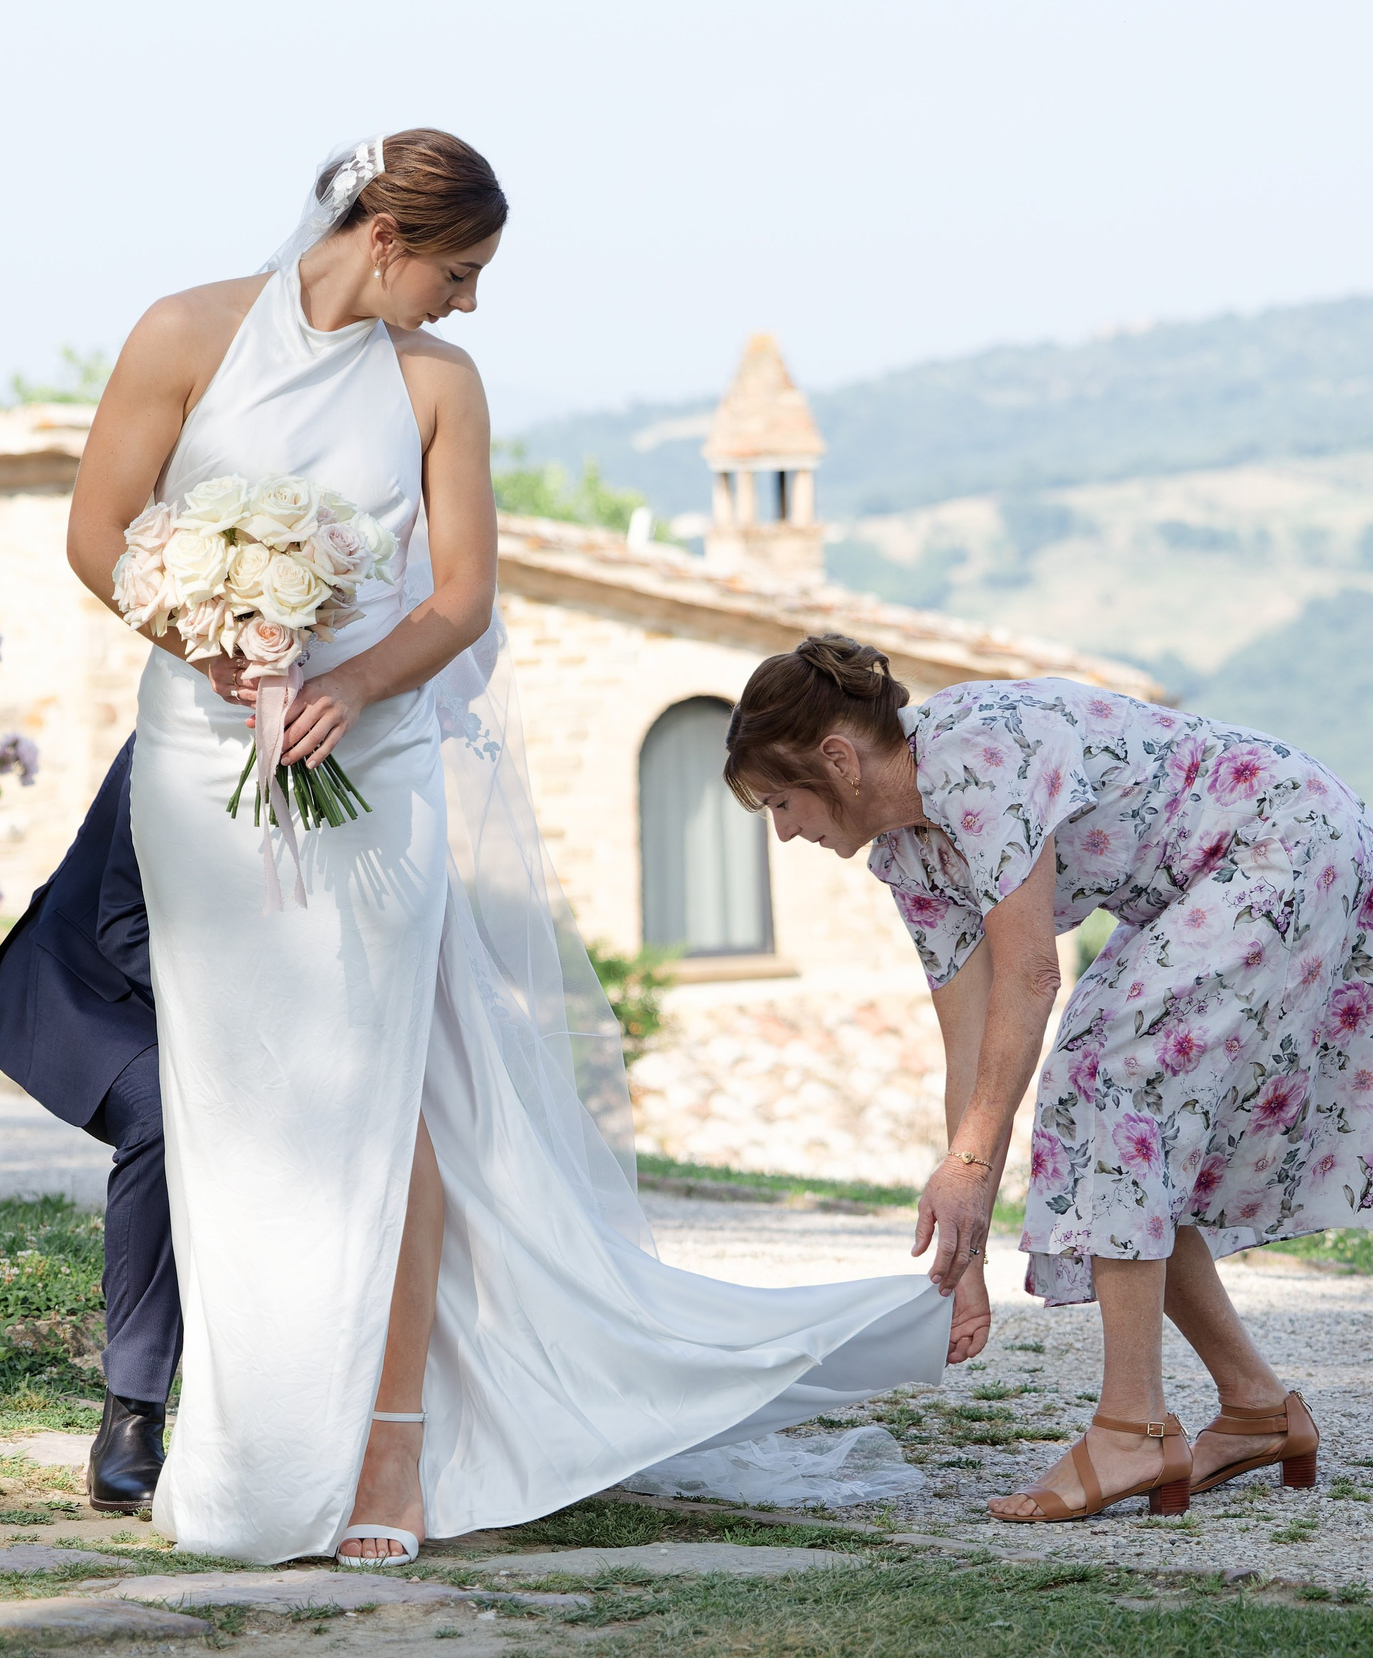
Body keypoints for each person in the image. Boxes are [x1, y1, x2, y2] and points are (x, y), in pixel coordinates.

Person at [63, 132, 959, 1568]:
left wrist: (351, 683)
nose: (469, 304)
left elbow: (464, 597)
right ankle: (251, 1435)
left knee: (389, 1085)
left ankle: (392, 1446)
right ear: (386, 233)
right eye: (460, 271)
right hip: (202, 763)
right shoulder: (184, 334)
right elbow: (100, 533)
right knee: (233, 1092)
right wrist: (215, 635)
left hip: (382, 760)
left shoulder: (438, 385)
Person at [723, 636, 1373, 1522]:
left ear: (838, 759)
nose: (785, 830)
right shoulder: (909, 858)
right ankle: (1257, 1409)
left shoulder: (976, 758)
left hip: (1286, 837)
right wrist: (968, 1230)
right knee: (1122, 1124)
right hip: (1204, 884)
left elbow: (1032, 976)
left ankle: (1132, 1430)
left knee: (1109, 1078)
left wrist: (975, 1166)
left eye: (781, 801)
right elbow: (974, 1045)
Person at [0, 738, 178, 1515]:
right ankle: (131, 1413)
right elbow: (124, 921)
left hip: (266, 997)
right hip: (100, 982)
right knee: (172, 1113)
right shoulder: (180, 726)